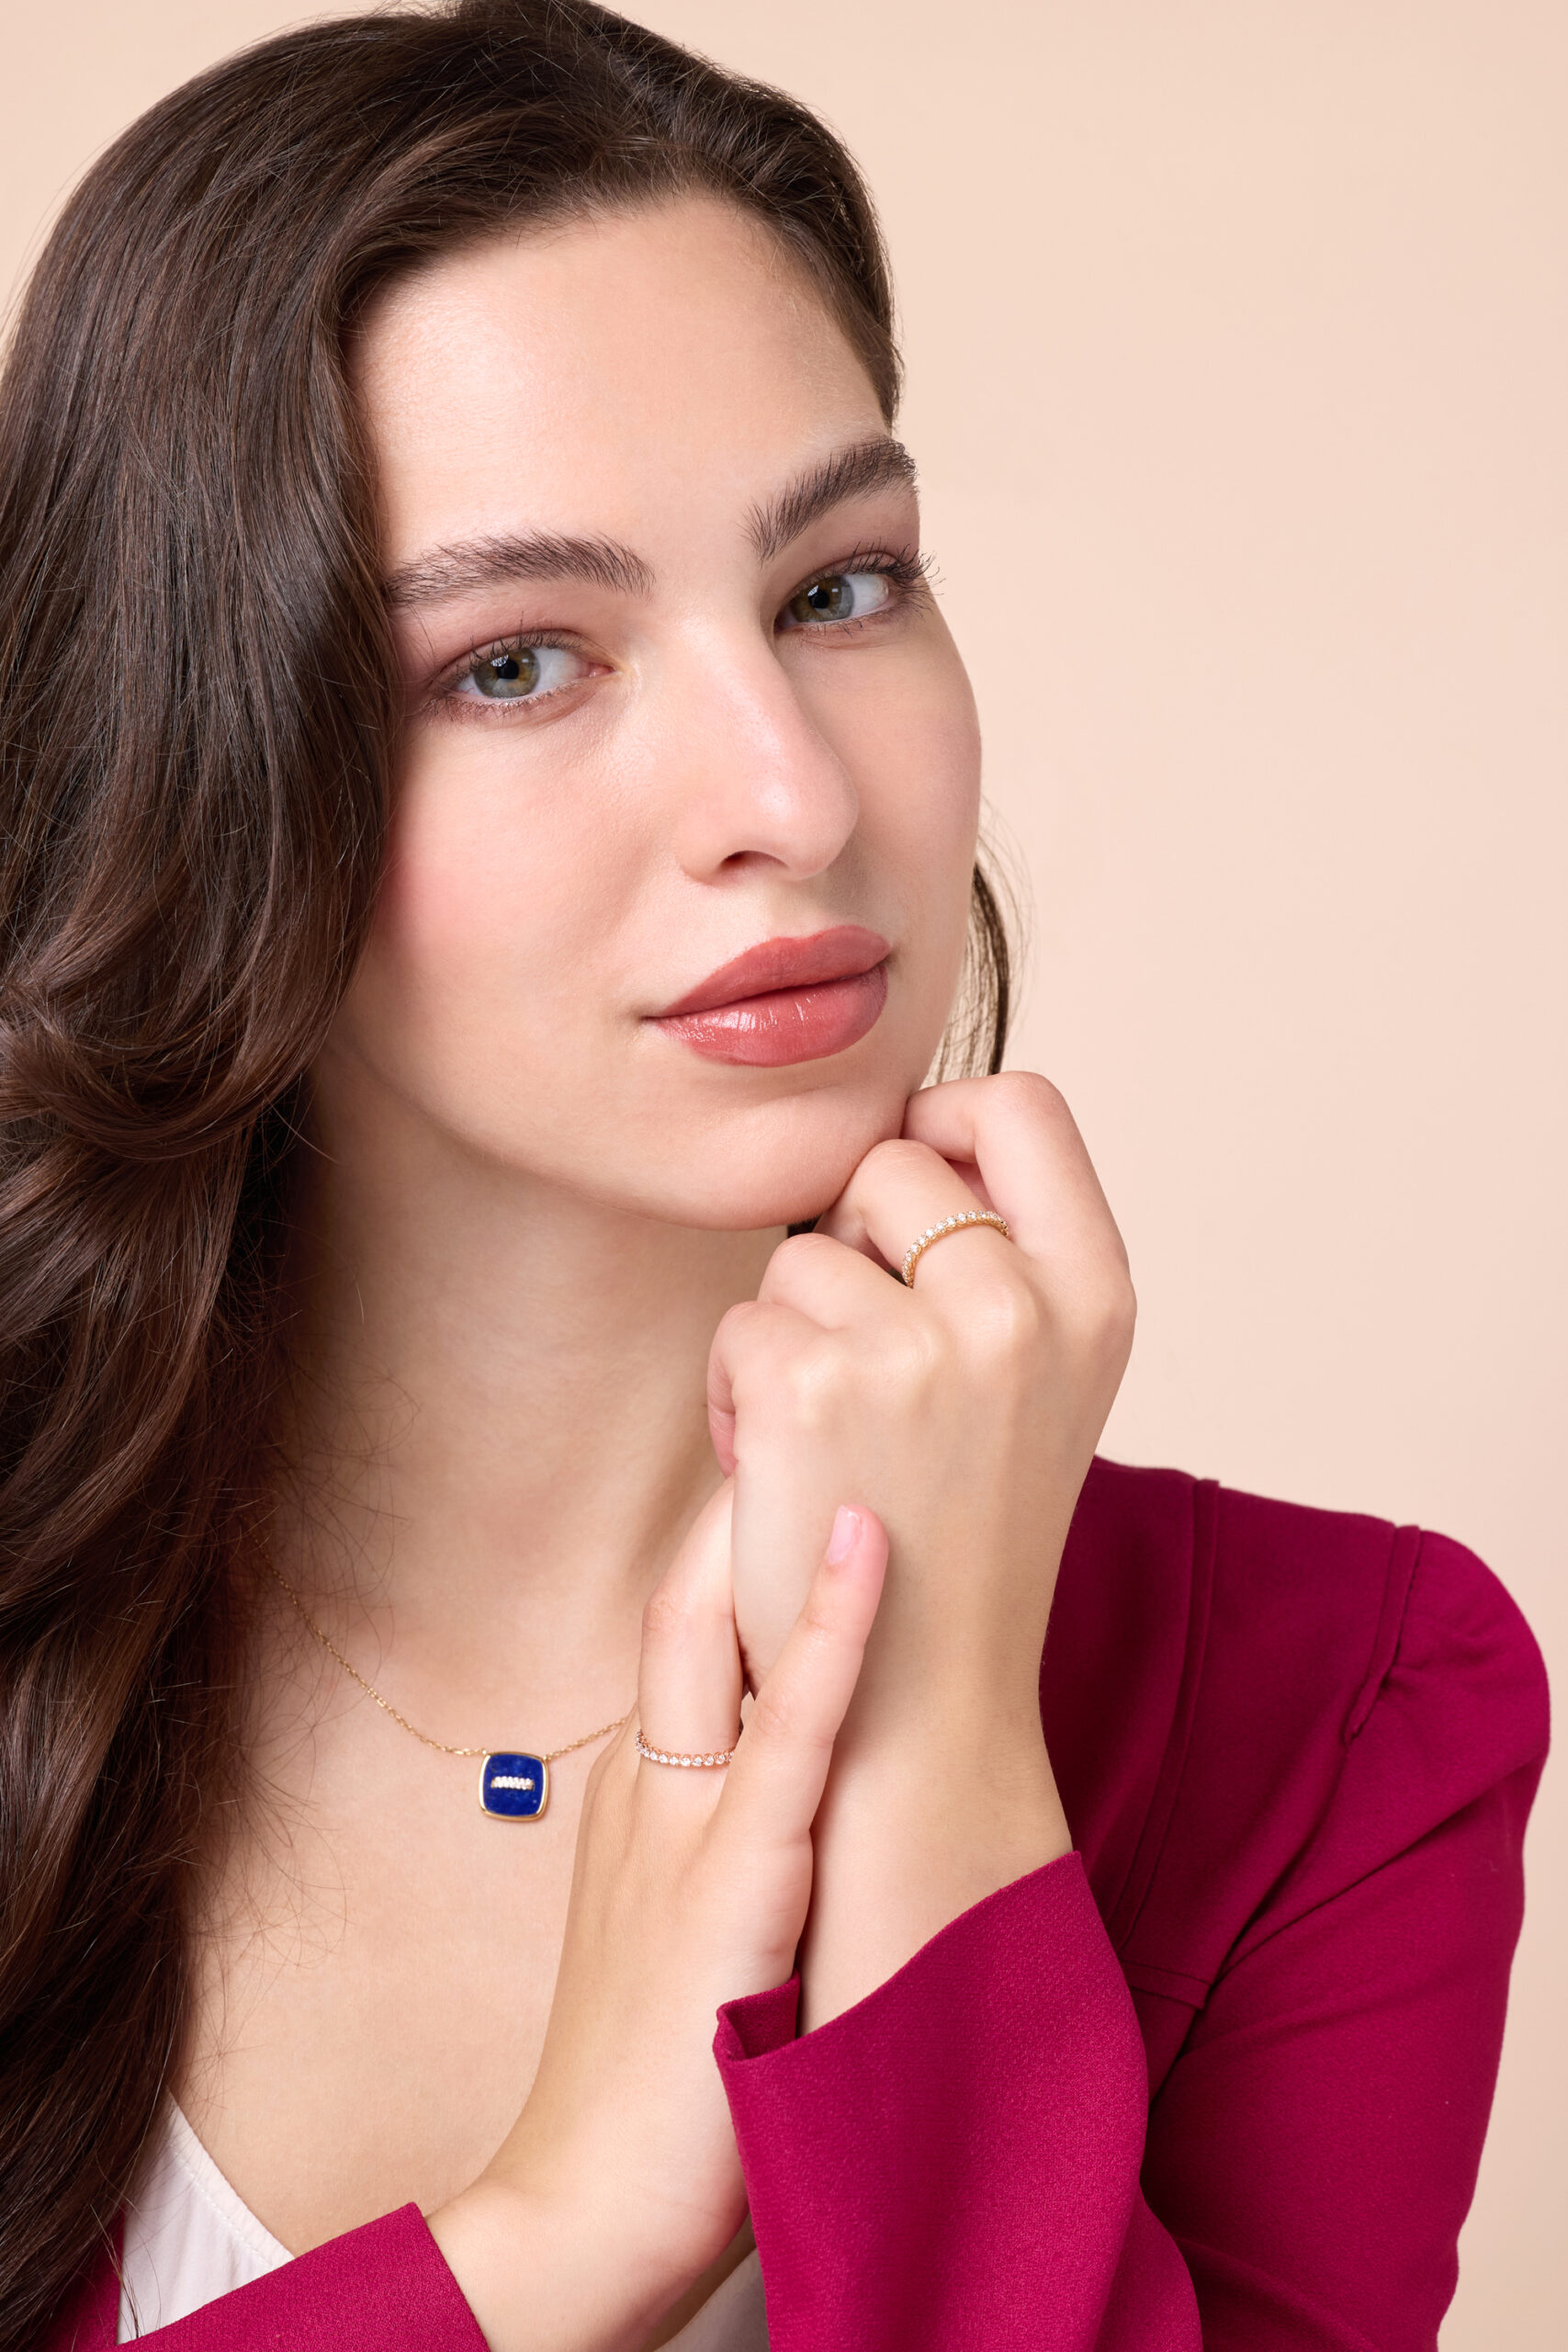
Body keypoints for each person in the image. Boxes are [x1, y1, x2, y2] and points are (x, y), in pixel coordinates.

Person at [0, 4, 1547, 2347]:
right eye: (517, 662)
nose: (792, 797)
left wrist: (935, 1752)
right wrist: (547, 2242)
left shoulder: (1346, 1708)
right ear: (197, 767)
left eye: (838, 586)